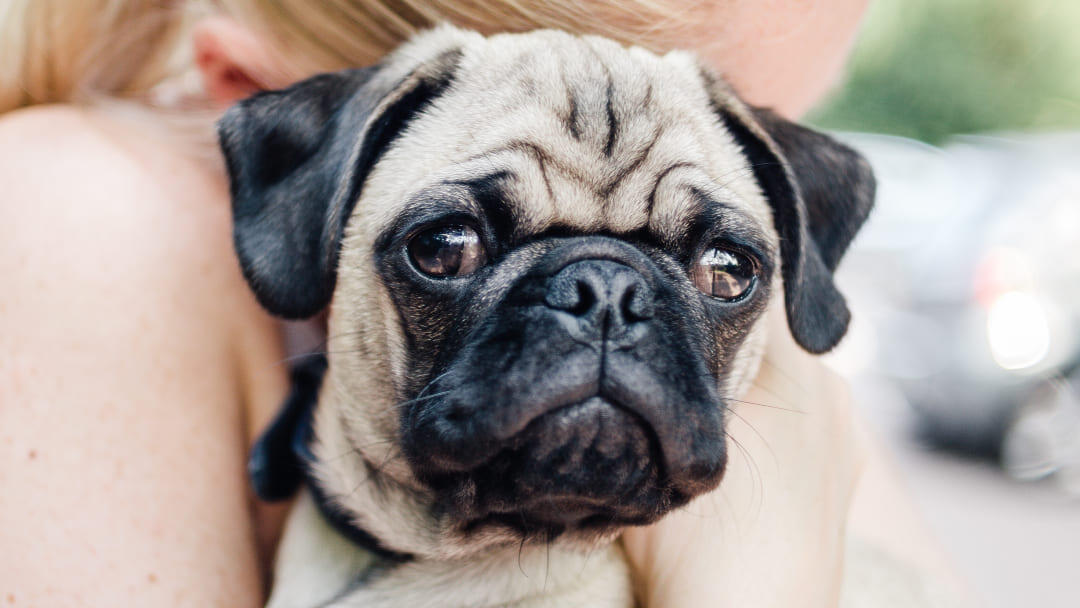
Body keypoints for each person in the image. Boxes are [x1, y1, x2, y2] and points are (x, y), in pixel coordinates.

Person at [0, 1, 967, 605]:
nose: (605, 310)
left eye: (719, 270)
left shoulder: (801, 405)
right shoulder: (78, 224)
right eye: (452, 248)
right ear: (301, 192)